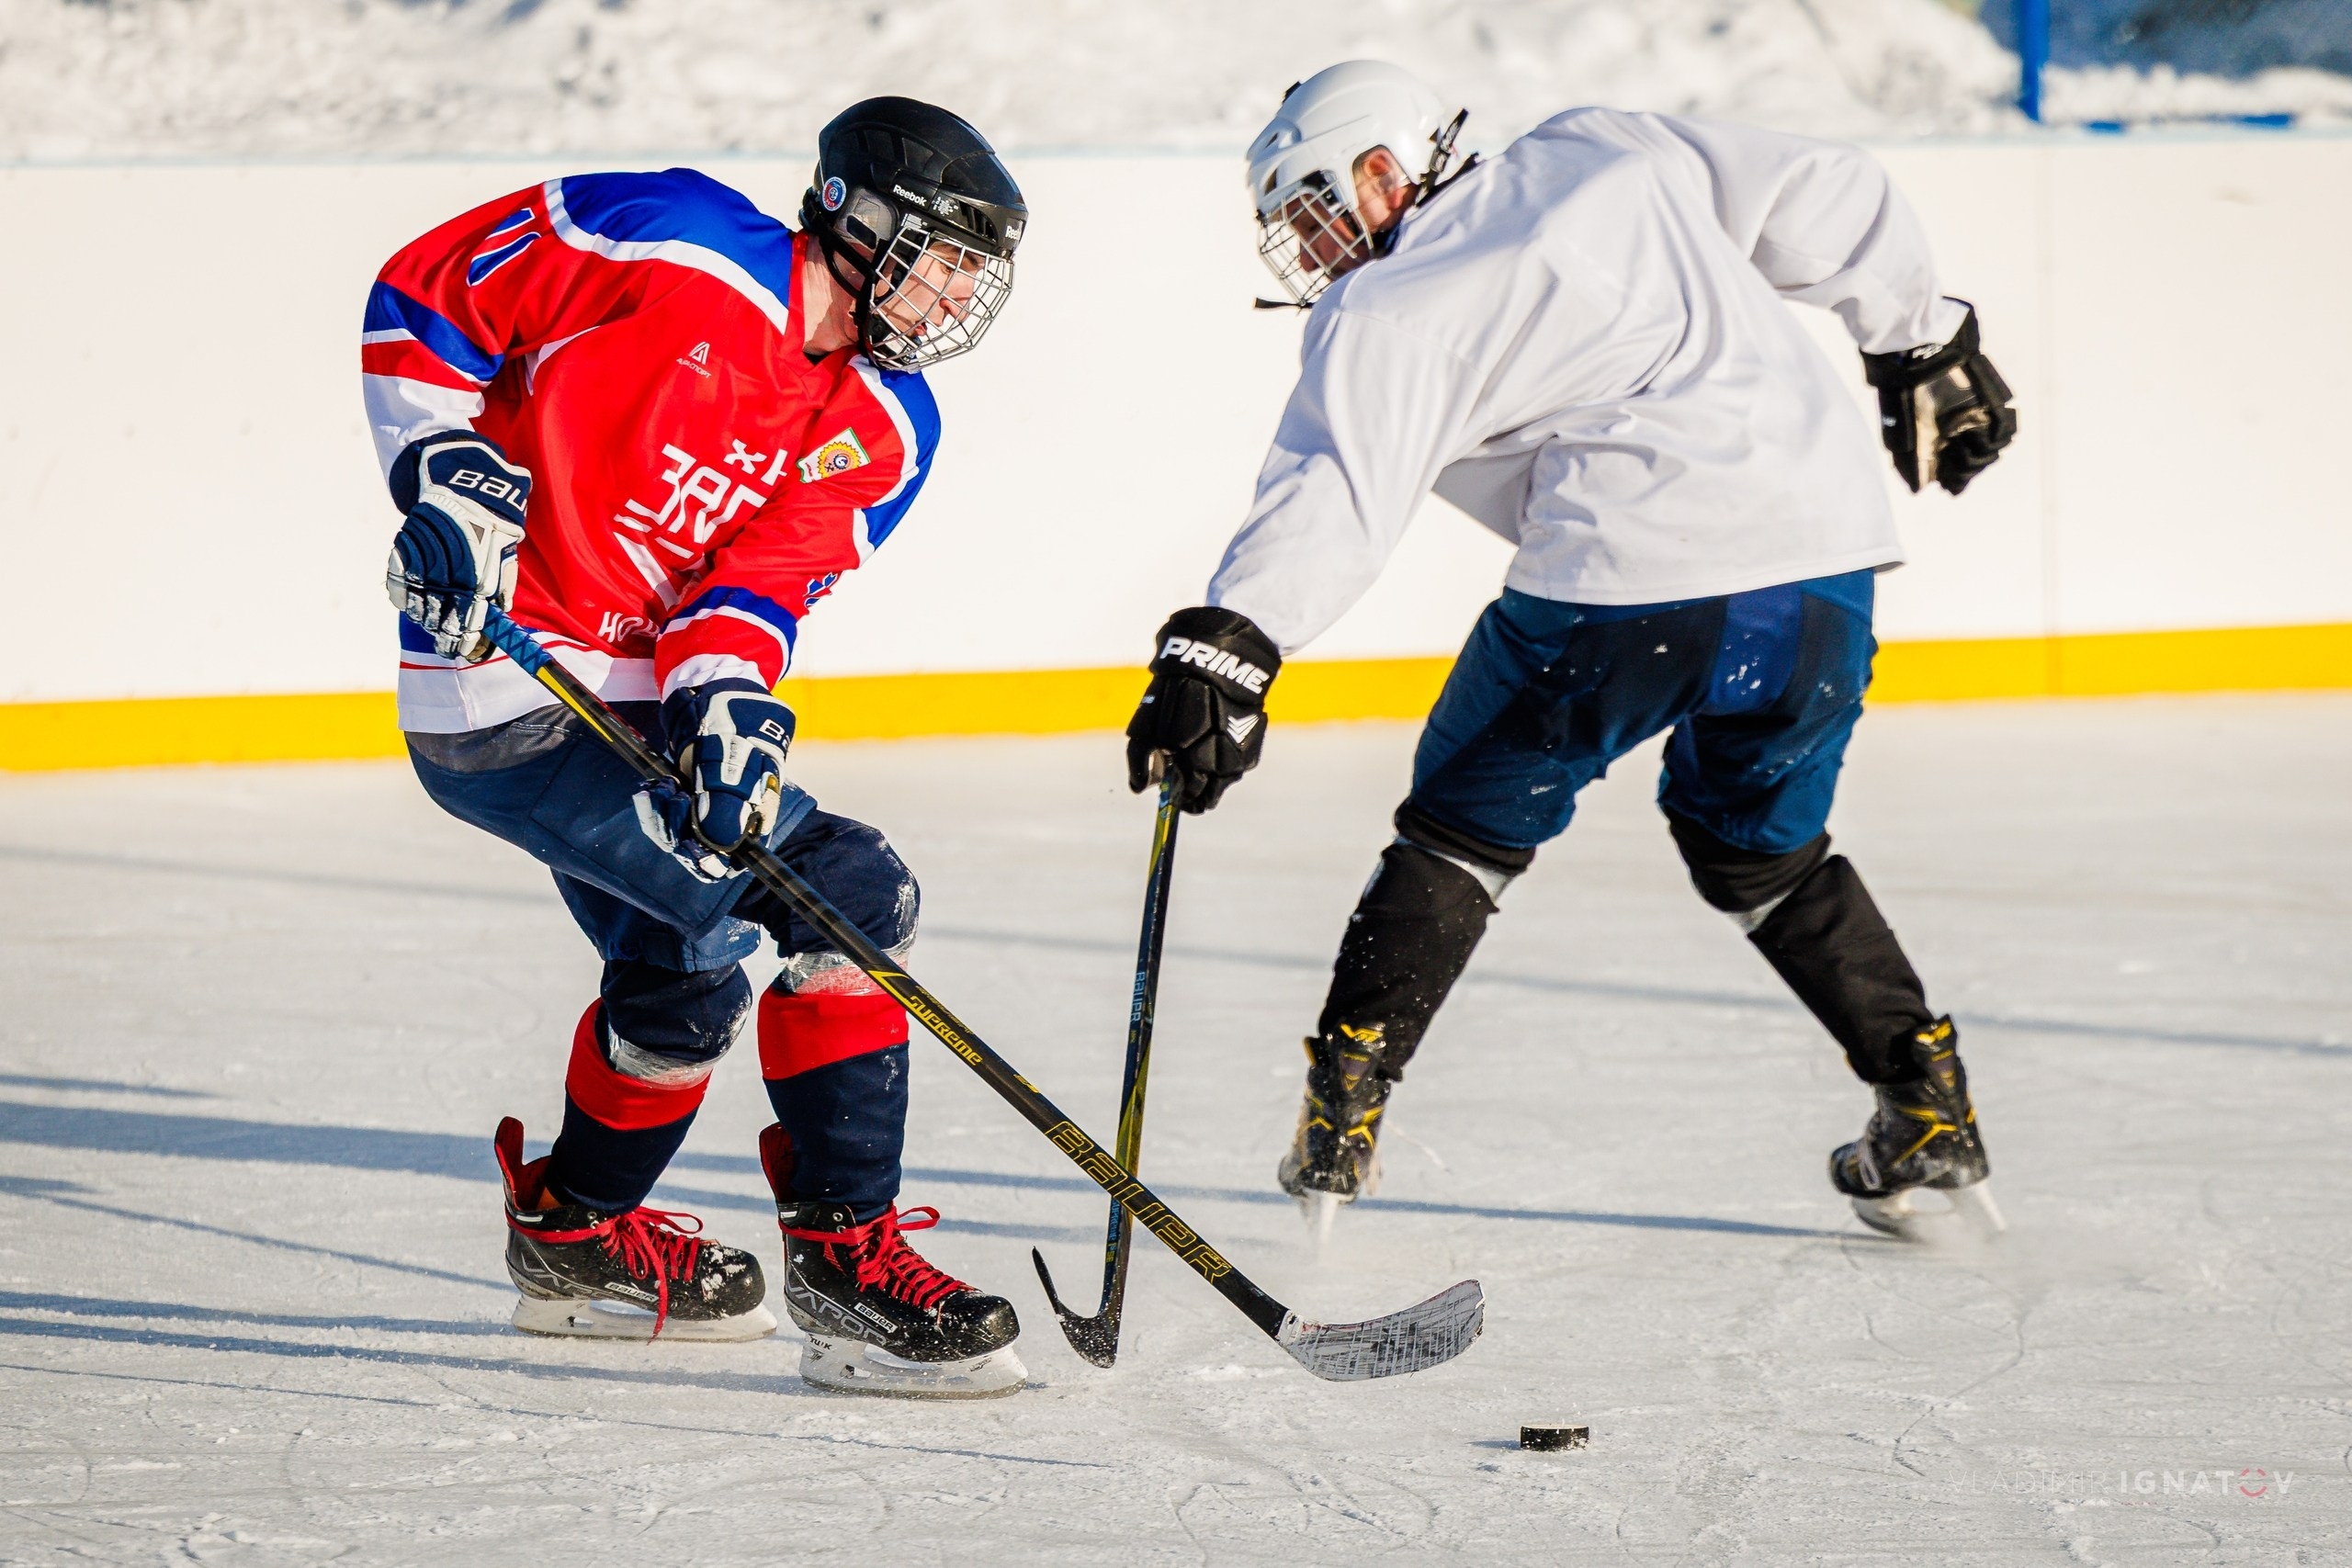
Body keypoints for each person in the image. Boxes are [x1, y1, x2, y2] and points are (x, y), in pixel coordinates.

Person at [1124, 62, 2018, 1242]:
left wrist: (1233, 642)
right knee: (1758, 848)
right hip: (1823, 567)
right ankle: (1925, 1104)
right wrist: (1919, 335)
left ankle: (1341, 1122)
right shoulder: (1604, 145)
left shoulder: (1386, 306)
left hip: (1627, 583)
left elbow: (1335, 489)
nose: (1308, 247)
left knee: (1459, 829)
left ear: (1383, 171)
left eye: (1313, 208)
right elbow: (1825, 186)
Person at [366, 98, 1033, 1395]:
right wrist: (438, 467)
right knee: (852, 894)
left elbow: (751, 590)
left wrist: (727, 707)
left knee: (685, 983)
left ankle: (573, 1238)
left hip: (642, 715)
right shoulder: (672, 241)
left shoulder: (888, 425)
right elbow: (424, 296)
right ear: (859, 220)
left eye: (975, 272)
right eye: (948, 256)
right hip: (510, 692)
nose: (961, 295)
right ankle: (846, 1269)